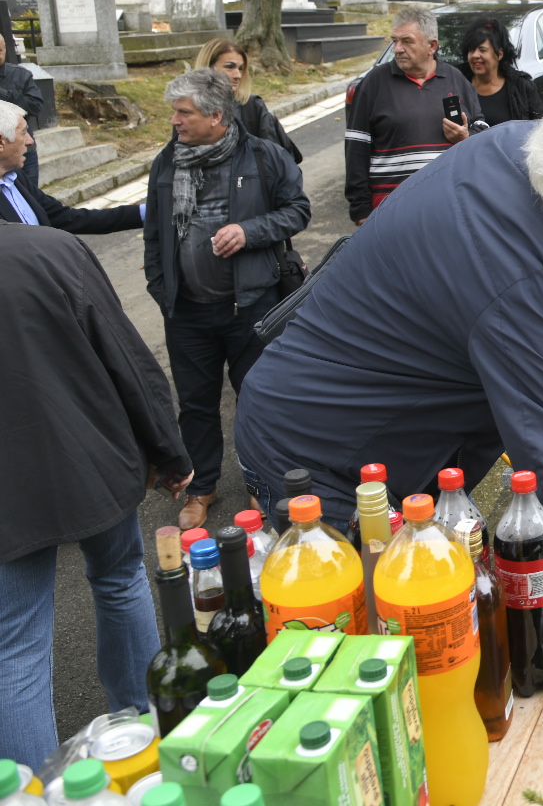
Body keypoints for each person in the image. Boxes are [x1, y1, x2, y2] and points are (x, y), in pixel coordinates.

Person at [236, 77, 543, 806]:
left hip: (371, 428)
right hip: (326, 462)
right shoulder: (529, 283)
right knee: (356, 700)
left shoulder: (522, 149)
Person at [0, 222, 192, 768]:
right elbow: (123, 355)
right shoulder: (48, 248)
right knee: (120, 578)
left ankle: (31, 792)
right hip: (88, 459)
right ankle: (140, 733)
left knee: (13, 646)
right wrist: (169, 450)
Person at [144, 69, 310, 529]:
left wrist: (249, 231)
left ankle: (264, 485)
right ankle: (202, 487)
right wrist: (162, 290)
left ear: (216, 115)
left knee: (257, 400)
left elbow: (298, 210)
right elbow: (155, 233)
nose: (175, 121)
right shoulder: (167, 161)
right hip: (188, 313)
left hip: (250, 307)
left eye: (184, 112)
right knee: (195, 405)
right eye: (174, 112)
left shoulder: (263, 157)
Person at [346, 7, 483, 224]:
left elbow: (482, 127)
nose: (398, 49)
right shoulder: (374, 83)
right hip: (391, 209)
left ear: (432, 46)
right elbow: (356, 146)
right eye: (395, 40)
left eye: (407, 41)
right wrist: (361, 209)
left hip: (447, 206)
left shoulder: (455, 78)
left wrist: (465, 137)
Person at [0, 100, 144, 233]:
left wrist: (144, 213)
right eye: (23, 132)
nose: (30, 141)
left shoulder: (16, 178)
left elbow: (64, 218)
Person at [196, 38, 301, 164]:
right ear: (208, 68)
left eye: (240, 69)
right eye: (230, 67)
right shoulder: (188, 108)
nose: (238, 75)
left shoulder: (251, 107)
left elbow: (274, 160)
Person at [459, 18, 543, 124]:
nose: (475, 55)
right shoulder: (457, 84)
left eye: (482, 50)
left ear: (499, 54)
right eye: (471, 50)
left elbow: (540, 127)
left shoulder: (521, 87)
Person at [0, 31, 43, 189]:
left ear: (5, 48)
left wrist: (3, 94)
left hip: (22, 153)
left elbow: (36, 105)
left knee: (32, 201)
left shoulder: (20, 75)